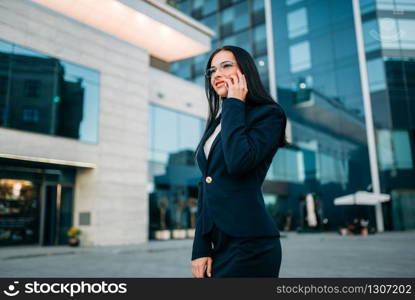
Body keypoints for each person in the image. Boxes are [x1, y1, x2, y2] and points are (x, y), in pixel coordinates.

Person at [191, 46, 289, 278]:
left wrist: (235, 102)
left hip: (251, 245)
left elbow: (238, 161)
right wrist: (200, 247)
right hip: (218, 246)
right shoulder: (220, 120)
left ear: (245, 71)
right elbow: (206, 186)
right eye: (212, 70)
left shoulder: (269, 114)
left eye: (226, 66)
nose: (216, 74)